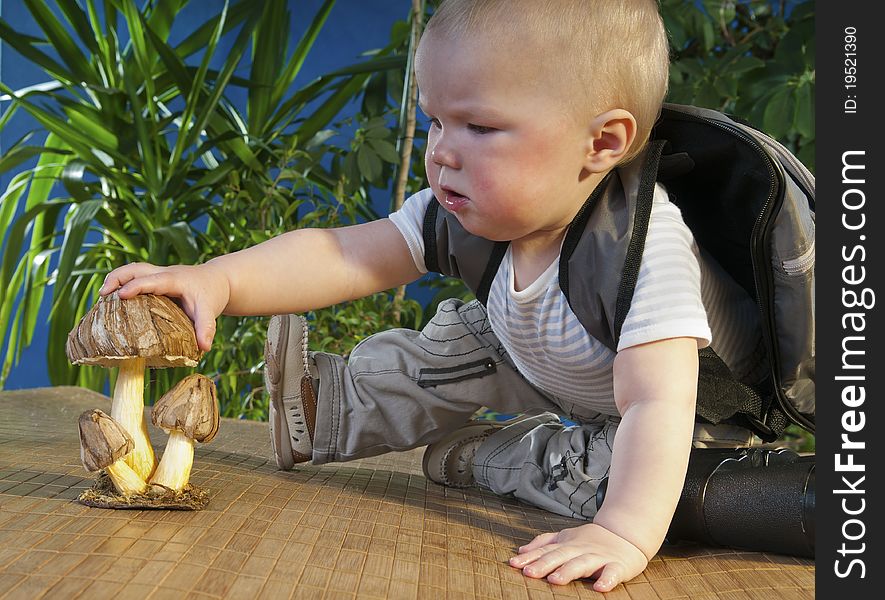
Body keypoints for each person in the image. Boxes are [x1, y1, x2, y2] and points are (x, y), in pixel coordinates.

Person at [99, 0, 762, 591]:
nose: (441, 153)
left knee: (625, 477)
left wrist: (623, 532)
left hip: (668, 414)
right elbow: (344, 252)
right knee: (461, 337)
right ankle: (328, 412)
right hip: (543, 359)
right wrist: (217, 279)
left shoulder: (641, 251)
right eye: (434, 121)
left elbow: (657, 399)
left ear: (601, 143)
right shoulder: (462, 211)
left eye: (477, 128)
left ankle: (511, 458)